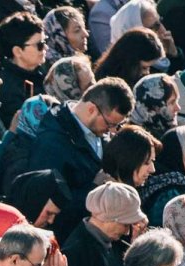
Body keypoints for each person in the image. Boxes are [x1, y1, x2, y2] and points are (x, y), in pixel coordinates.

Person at [30, 78, 135, 237]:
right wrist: (94, 188)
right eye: (109, 124)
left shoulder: (96, 131)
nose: (111, 131)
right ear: (92, 109)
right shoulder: (53, 142)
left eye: (116, 126)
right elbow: (48, 204)